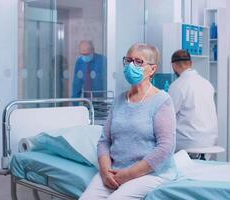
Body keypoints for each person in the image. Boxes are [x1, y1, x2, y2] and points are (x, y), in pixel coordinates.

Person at [79, 43, 177, 200]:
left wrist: (128, 175)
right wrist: (105, 172)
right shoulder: (119, 100)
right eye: (129, 60)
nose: (132, 65)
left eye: (139, 62)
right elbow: (104, 141)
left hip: (150, 173)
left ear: (152, 69)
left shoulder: (162, 101)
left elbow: (165, 148)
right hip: (114, 170)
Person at [168, 49, 218, 152]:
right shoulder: (206, 83)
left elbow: (168, 115)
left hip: (188, 142)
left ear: (173, 65)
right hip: (210, 140)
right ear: (191, 63)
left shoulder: (177, 86)